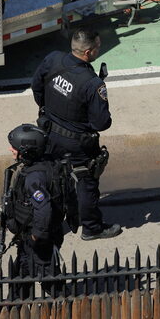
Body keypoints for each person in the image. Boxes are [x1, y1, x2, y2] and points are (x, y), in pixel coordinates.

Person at [31, 29, 120, 241]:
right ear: (88, 52)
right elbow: (101, 122)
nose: (99, 49)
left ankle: (50, 220)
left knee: (52, 177)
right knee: (86, 180)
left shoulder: (53, 59)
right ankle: (92, 228)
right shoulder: (92, 83)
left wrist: (49, 110)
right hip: (77, 142)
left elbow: (36, 86)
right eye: (98, 47)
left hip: (49, 131)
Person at [4, 124, 72, 298]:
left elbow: (43, 208)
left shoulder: (34, 178)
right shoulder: (47, 163)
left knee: (47, 277)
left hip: (37, 239)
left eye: (15, 148)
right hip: (35, 236)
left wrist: (37, 235)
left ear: (27, 152)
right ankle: (17, 305)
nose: (11, 150)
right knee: (23, 274)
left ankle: (69, 306)